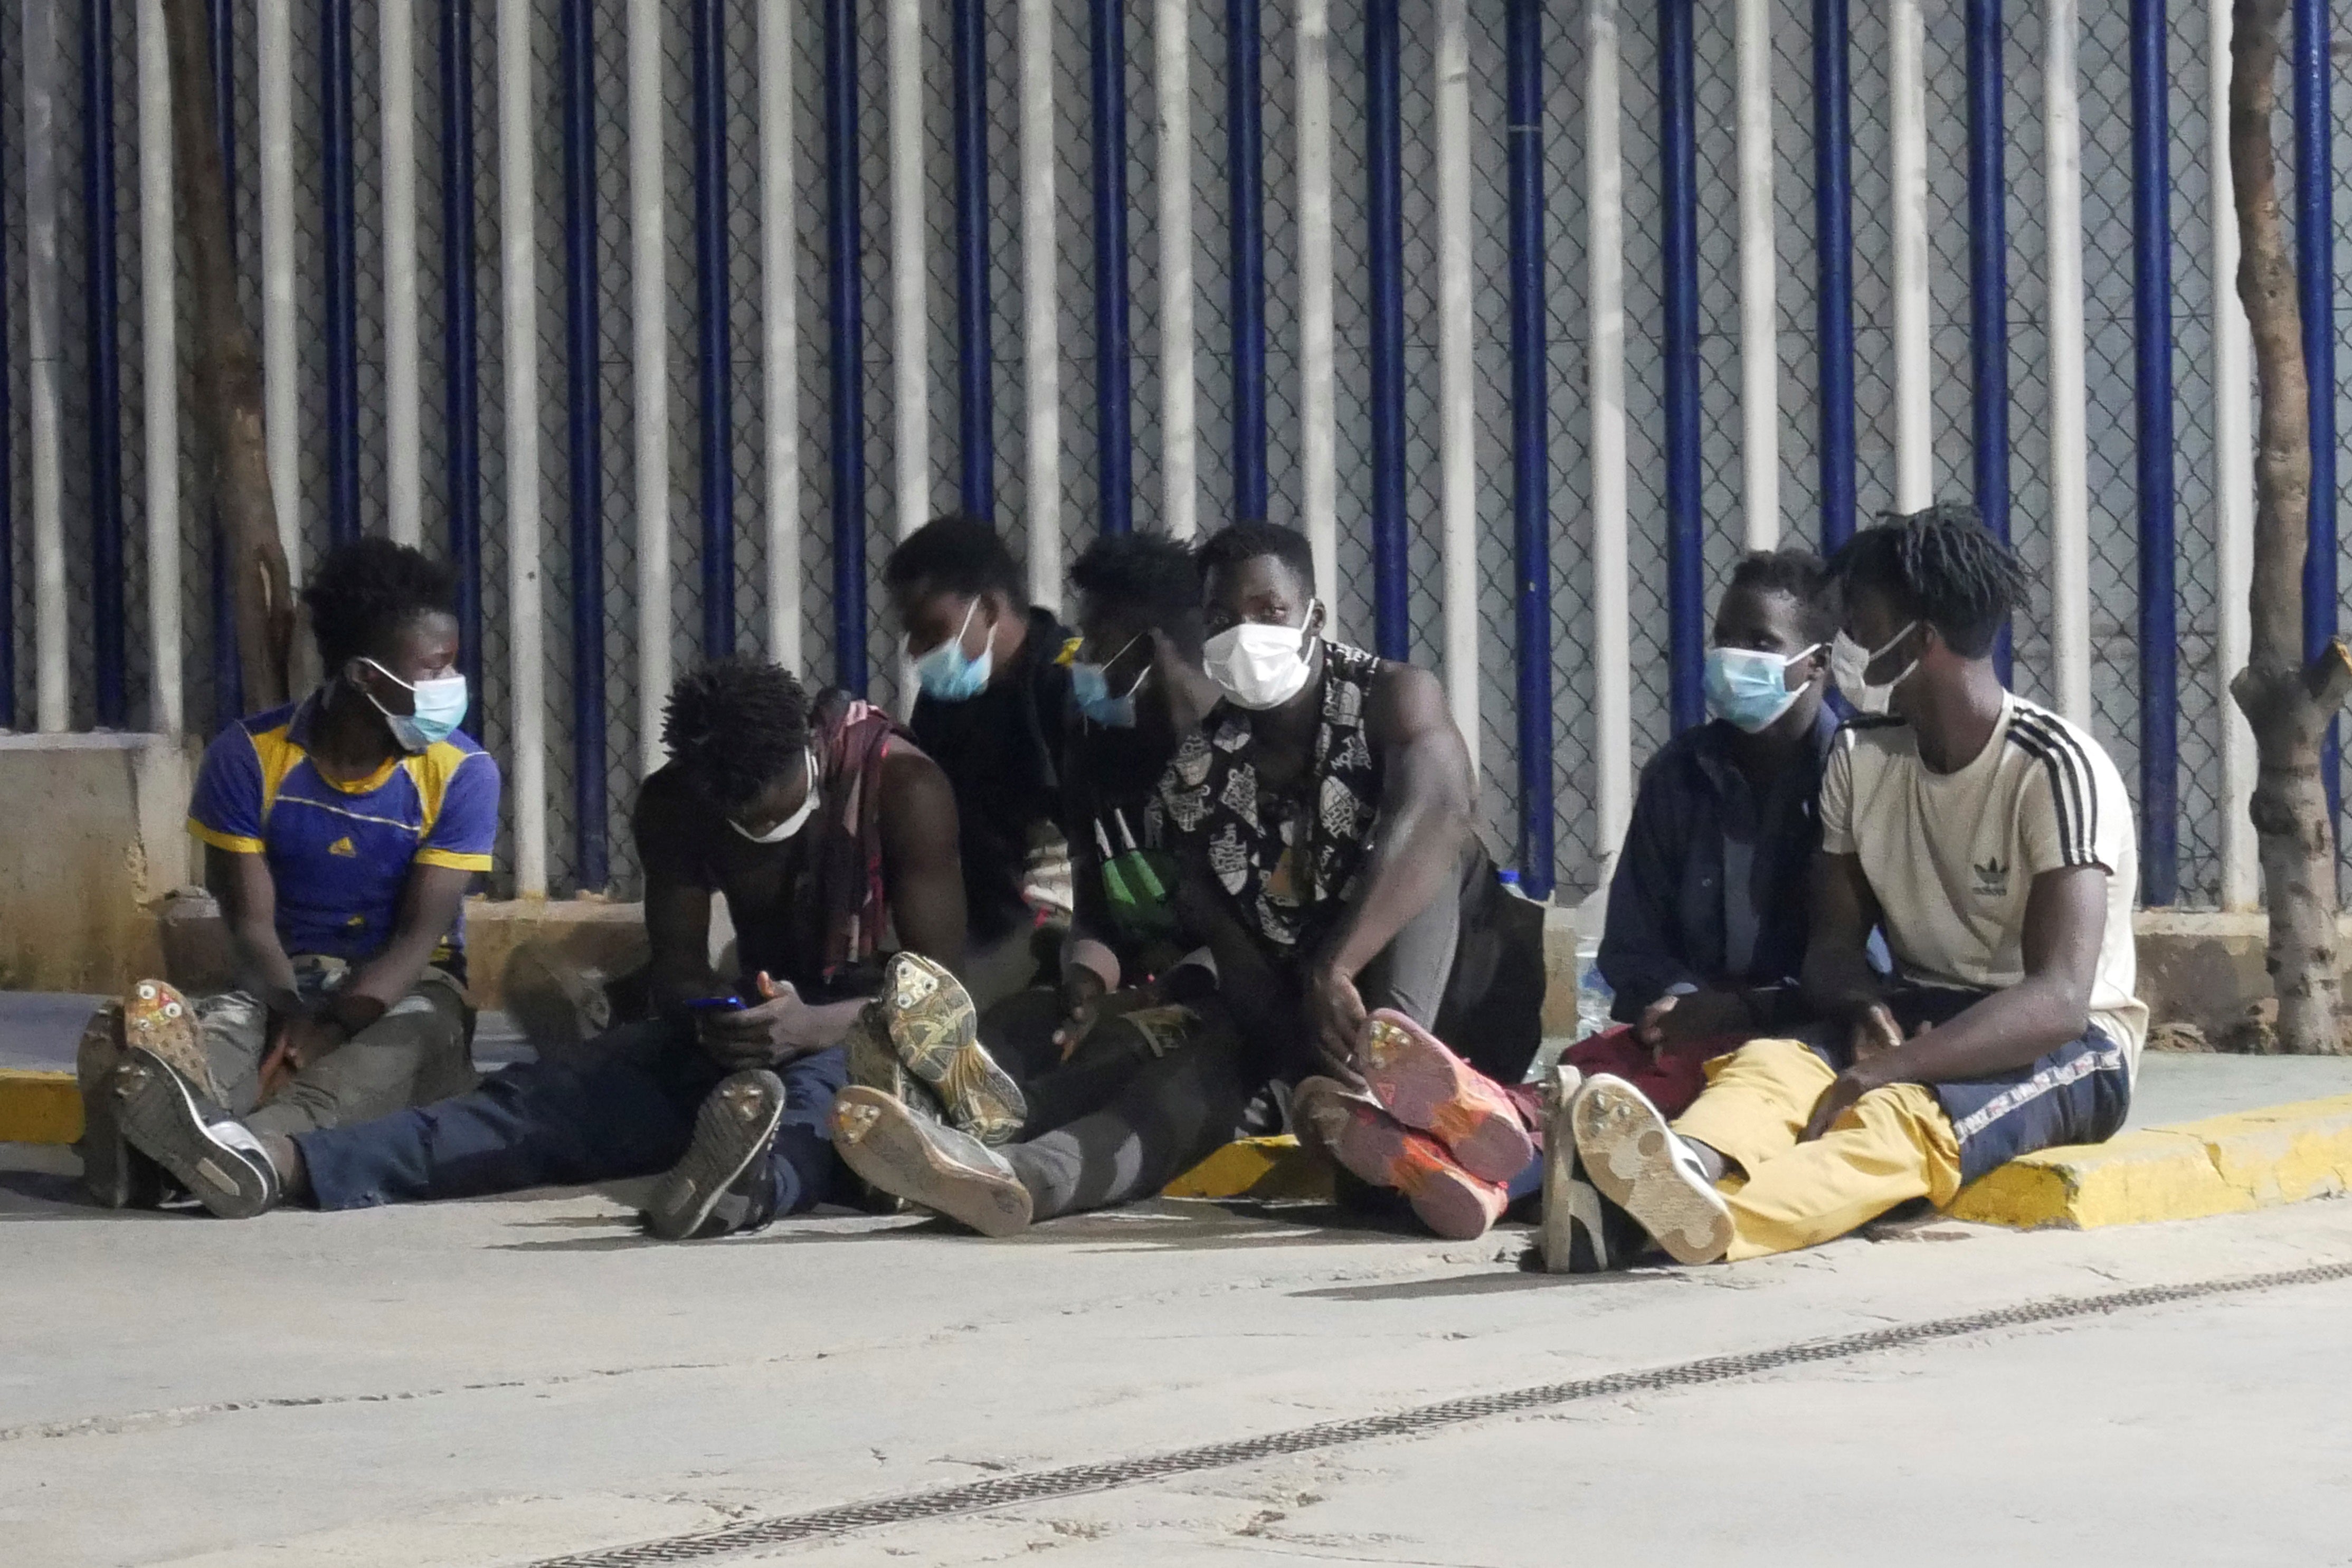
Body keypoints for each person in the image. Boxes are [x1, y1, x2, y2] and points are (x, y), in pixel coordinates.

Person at [108, 657, 990, 1242]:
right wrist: (716, 1018)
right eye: (739, 820)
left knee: (819, 1109)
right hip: (745, 1033)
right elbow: (679, 962)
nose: (758, 829)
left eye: (773, 810)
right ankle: (272, 1162)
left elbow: (937, 996)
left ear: (810, 756)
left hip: (863, 1034)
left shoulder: (905, 788)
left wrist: (812, 1026)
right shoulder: (677, 802)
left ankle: (743, 1185)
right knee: (539, 1105)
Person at [1566, 502, 2143, 1265]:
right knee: (1773, 1063)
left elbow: (2058, 999)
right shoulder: (1861, 757)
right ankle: (1680, 1171)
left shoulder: (2052, 766)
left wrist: (1888, 1065)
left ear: (1923, 639)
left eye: (1862, 625)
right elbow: (1831, 948)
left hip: (2065, 1041)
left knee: (1901, 1117)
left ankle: (1698, 1224)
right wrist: (1864, 1008)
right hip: (1919, 1005)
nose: (1846, 649)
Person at [832, 531, 1255, 1235]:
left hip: (1220, 999)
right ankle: (913, 1143)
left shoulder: (1241, 754)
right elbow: (1099, 901)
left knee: (1130, 1069)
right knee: (1011, 1029)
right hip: (1125, 977)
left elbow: (1260, 936)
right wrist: (1087, 979)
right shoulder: (1096, 749)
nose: (1082, 659)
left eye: (1095, 642)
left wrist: (1155, 992)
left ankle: (996, 1164)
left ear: (1146, 649)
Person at [81, 538, 499, 1210]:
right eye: (434, 669)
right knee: (225, 1038)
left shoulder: (462, 773)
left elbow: (417, 942)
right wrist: (287, 1010)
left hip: (407, 991)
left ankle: (236, 1151)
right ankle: (163, 1124)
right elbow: (248, 922)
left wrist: (328, 1027)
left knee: (391, 1053)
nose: (450, 689)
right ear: (365, 676)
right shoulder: (249, 756)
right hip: (278, 980)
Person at [1166, 522, 1544, 1242]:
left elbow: (1442, 807)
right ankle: (1412, 1131)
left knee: (1432, 841)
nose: (1246, 633)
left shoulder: (1394, 695)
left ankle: (1399, 1077)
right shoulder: (1198, 771)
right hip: (1333, 1030)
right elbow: (1240, 962)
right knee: (1378, 1189)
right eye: (1222, 618)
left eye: (1268, 610)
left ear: (1314, 615)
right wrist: (1311, 1059)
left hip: (1467, 996)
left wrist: (1337, 960)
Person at [1541, 548, 1849, 1269]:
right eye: (1725, 639)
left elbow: (1869, 970)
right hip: (1682, 1031)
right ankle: (1471, 1158)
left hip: (1799, 1038)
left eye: (1761, 643)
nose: (1733, 658)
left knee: (1753, 1087)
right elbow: (1631, 944)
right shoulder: (1680, 772)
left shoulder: (1856, 775)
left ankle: (1659, 1185)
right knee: (1588, 1080)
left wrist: (1740, 1011)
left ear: (1816, 662)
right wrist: (1673, 1000)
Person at [885, 514, 1079, 1010]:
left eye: (931, 631)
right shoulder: (942, 700)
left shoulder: (1070, 681)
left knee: (929, 1009)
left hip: (1050, 928)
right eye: (911, 635)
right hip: (963, 915)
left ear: (989, 608)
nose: (915, 651)